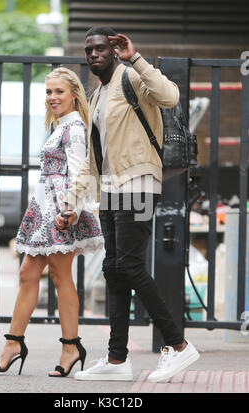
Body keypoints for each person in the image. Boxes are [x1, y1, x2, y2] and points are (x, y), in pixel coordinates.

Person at [55, 27, 200, 383]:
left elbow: (169, 96)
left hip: (137, 183)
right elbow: (93, 159)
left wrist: (135, 56)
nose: (94, 55)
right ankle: (117, 359)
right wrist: (72, 203)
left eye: (101, 48)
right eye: (89, 50)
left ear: (113, 50)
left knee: (130, 266)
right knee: (114, 269)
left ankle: (178, 345)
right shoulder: (97, 94)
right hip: (109, 189)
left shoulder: (131, 77)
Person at [0, 67, 104, 377]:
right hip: (45, 211)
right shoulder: (60, 126)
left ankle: (70, 347)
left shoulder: (75, 128)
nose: (52, 97)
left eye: (59, 92)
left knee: (60, 276)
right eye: (49, 92)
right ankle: (14, 343)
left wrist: (72, 211)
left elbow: (82, 173)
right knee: (28, 273)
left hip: (60, 212)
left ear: (74, 95)